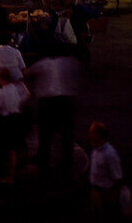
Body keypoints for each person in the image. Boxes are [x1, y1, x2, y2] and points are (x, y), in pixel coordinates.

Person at [25, 49, 81, 180]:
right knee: (67, 133)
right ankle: (67, 161)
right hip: (68, 101)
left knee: (45, 133)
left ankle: (43, 162)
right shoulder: (72, 62)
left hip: (47, 102)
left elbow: (27, 74)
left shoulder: (43, 63)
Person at [0, 68, 31, 184]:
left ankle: (10, 177)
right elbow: (27, 96)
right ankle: (19, 169)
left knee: (9, 150)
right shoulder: (18, 88)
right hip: (19, 118)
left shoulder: (1, 93)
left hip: (8, 121)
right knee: (18, 145)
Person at [89, 122, 125, 217]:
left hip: (105, 194)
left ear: (98, 135)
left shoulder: (109, 154)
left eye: (92, 133)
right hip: (95, 192)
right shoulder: (95, 150)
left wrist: (112, 197)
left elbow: (117, 177)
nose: (89, 136)